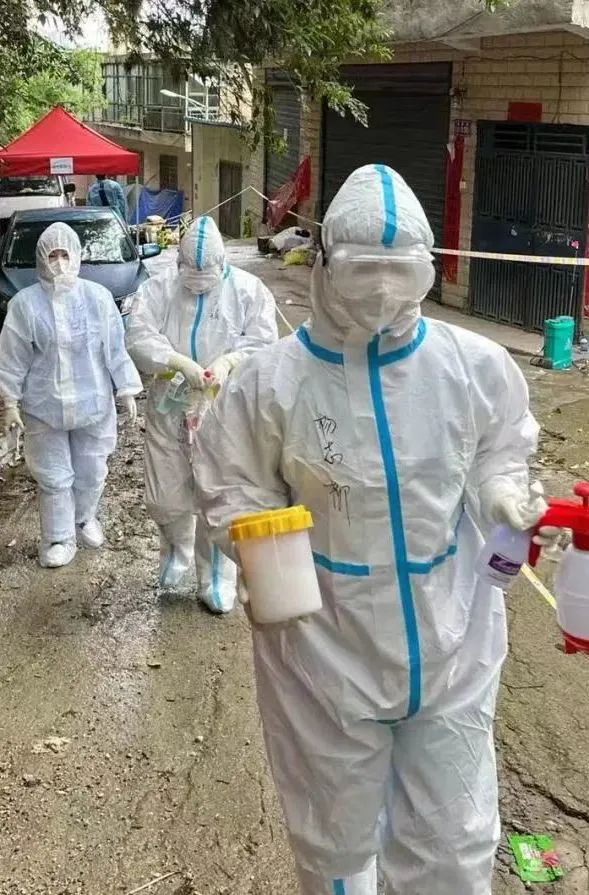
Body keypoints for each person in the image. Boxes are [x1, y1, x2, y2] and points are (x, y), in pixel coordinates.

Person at [192, 165, 560, 894]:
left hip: (452, 637)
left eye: (405, 273)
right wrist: (266, 564)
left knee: (455, 838)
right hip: (323, 647)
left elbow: (499, 447)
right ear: (326, 262)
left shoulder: (473, 367)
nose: (386, 291)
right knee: (335, 838)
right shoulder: (272, 382)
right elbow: (234, 483)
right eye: (367, 271)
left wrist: (502, 495)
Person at [125, 214, 278, 612]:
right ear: (178, 265)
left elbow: (264, 342)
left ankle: (215, 577)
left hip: (222, 408)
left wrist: (228, 363)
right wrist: (175, 362)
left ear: (222, 265)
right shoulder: (158, 289)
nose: (196, 284)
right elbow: (138, 334)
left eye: (205, 278)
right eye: (189, 276)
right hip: (169, 402)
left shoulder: (248, 291)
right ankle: (176, 550)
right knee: (165, 491)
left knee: (217, 493)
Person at [0, 222, 142, 569]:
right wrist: (10, 402)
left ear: (77, 256)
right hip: (43, 406)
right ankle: (58, 538)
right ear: (41, 259)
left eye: (66, 255)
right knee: (53, 477)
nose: (60, 263)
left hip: (93, 402)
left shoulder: (98, 298)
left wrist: (126, 387)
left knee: (92, 470)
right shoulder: (25, 305)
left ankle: (84, 520)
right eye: (53, 256)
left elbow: (115, 347)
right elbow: (12, 357)